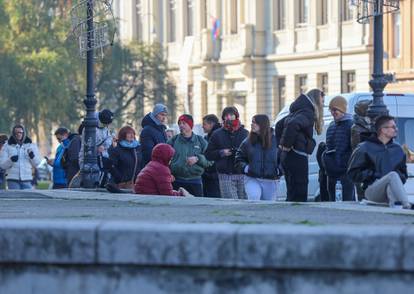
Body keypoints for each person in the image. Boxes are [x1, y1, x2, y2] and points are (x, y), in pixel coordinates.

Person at [348, 115, 411, 209]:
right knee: (392, 175)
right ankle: (408, 207)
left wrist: (398, 177)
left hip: (390, 188)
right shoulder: (364, 148)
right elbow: (353, 173)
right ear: (383, 130)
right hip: (372, 190)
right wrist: (376, 175)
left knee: (392, 182)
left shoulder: (398, 149)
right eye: (393, 127)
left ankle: (397, 215)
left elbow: (404, 174)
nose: (396, 129)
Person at [276, 89, 324, 202]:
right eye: (322, 101)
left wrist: (281, 146)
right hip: (297, 156)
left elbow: (279, 125)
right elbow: (293, 124)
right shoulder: (308, 112)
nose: (323, 104)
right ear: (316, 100)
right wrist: (286, 145)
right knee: (300, 192)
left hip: (289, 156)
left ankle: (290, 217)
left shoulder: (297, 110)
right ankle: (298, 217)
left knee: (292, 192)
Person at [205, 107, 249, 199]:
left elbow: (251, 152)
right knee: (231, 203)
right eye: (226, 115)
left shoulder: (245, 133)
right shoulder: (217, 134)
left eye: (231, 115)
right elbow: (208, 154)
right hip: (225, 175)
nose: (229, 117)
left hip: (242, 175)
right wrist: (221, 152)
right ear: (223, 118)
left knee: (244, 204)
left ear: (236, 116)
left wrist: (238, 152)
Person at [235, 115, 280, 200]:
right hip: (252, 178)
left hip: (271, 180)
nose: (252, 124)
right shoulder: (247, 141)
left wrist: (279, 170)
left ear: (262, 124)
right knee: (254, 199)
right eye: (252, 122)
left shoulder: (276, 140)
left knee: (268, 206)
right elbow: (239, 158)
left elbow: (284, 158)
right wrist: (246, 168)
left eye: (254, 122)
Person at [168, 114, 210, 197]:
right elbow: (163, 159)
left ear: (191, 125)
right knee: (176, 208)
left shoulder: (201, 141)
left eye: (184, 123)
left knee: (196, 208)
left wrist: (198, 158)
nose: (181, 125)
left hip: (195, 181)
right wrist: (168, 173)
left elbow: (210, 159)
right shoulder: (173, 141)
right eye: (179, 123)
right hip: (177, 181)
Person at [322, 96, 354, 201]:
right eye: (331, 110)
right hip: (331, 173)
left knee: (346, 202)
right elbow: (328, 147)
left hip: (345, 173)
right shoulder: (331, 125)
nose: (332, 112)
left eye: (335, 109)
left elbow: (354, 150)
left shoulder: (351, 125)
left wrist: (344, 164)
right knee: (333, 202)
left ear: (342, 109)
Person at [79, 109, 114, 187]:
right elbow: (88, 143)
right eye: (105, 124)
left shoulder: (105, 128)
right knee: (90, 180)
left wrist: (104, 146)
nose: (106, 126)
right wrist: (96, 148)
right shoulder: (89, 127)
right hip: (89, 158)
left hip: (101, 156)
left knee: (103, 176)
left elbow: (109, 138)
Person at [0, 125, 41, 190]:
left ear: (23, 133)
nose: (18, 134)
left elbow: (37, 163)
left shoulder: (31, 145)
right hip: (12, 179)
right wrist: (10, 160)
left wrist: (32, 156)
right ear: (13, 134)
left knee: (28, 199)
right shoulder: (7, 146)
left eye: (20, 132)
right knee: (15, 199)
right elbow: (2, 165)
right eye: (16, 133)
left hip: (27, 179)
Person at [201, 114, 221, 197]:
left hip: (215, 176)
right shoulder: (207, 137)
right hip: (208, 175)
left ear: (211, 124)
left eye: (204, 124)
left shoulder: (219, 136)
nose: (202, 127)